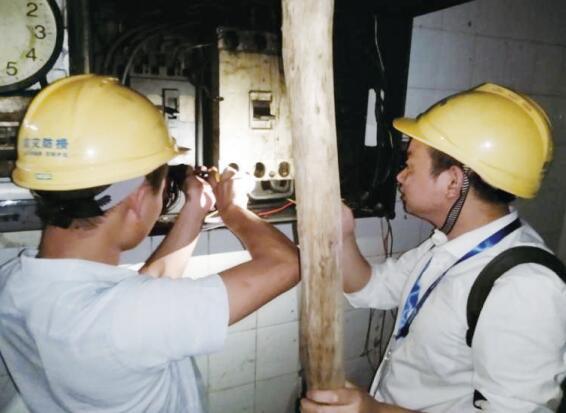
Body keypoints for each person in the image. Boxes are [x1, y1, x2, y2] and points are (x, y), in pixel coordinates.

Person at [0, 74, 299, 412]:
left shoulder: (13, 283)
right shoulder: (127, 320)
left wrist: (195, 210)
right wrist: (232, 210)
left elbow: (142, 296)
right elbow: (286, 264)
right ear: (140, 199)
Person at [301, 83, 566, 412]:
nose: (400, 176)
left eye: (410, 164)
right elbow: (371, 286)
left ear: (453, 182)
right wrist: (341, 234)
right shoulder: (449, 247)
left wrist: (372, 411)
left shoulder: (524, 287)